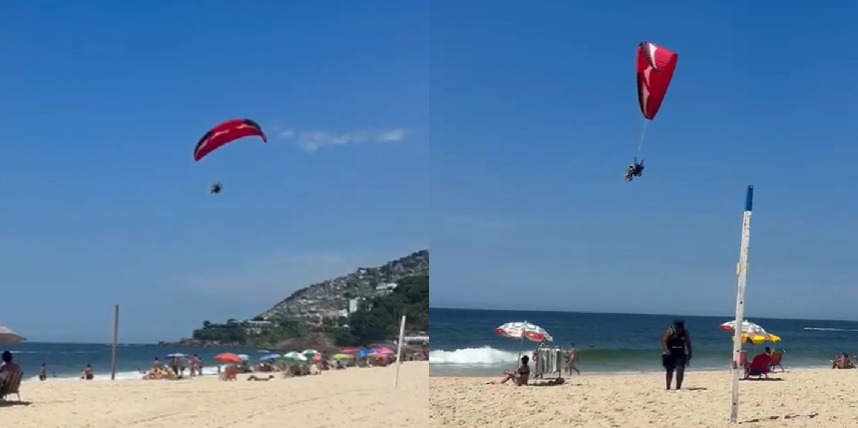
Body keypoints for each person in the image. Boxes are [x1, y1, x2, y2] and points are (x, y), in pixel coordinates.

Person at [661, 319, 692, 390]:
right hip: (670, 353)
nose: (679, 329)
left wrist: (690, 353)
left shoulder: (685, 332)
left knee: (680, 370)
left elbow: (688, 343)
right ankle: (668, 387)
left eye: (681, 328)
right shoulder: (670, 331)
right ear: (675, 326)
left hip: (680, 353)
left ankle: (678, 387)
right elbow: (664, 341)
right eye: (678, 327)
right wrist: (666, 350)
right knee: (669, 371)